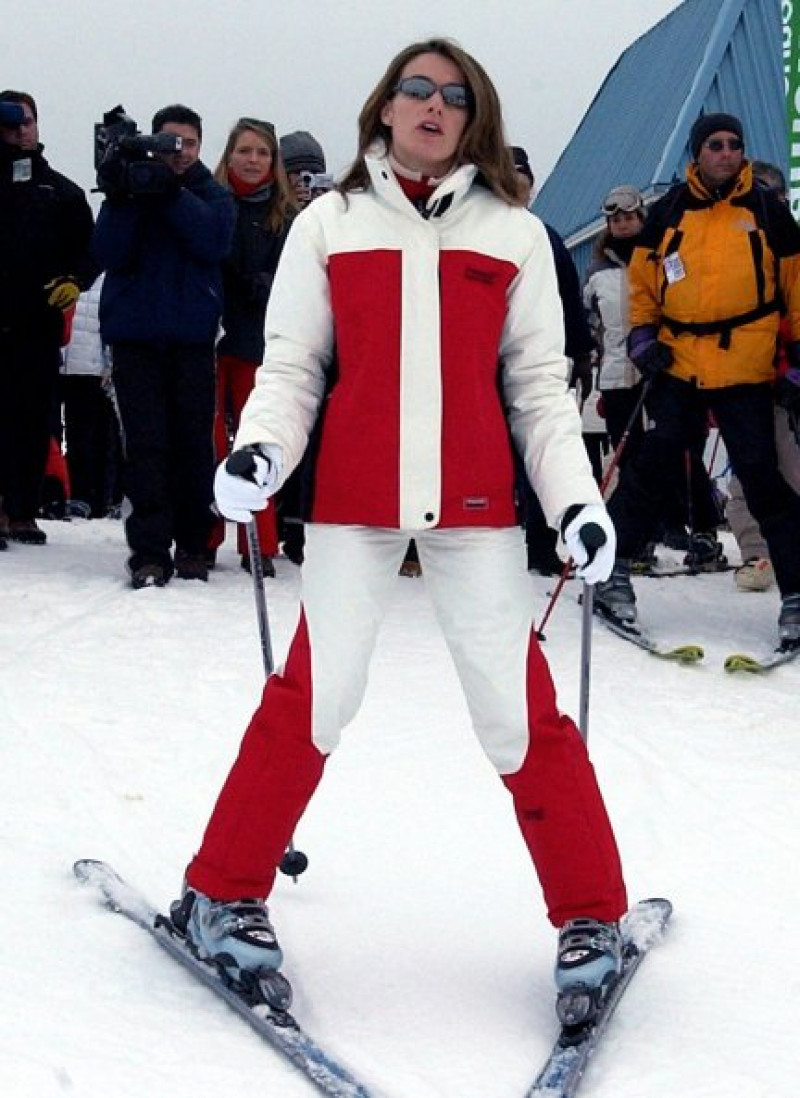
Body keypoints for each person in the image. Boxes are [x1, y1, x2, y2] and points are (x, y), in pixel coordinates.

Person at [169, 38, 628, 1016]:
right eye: (414, 88)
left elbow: (539, 392)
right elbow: (290, 367)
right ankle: (220, 893)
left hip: (474, 513)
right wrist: (259, 453)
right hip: (350, 503)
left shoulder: (510, 234)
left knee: (517, 715)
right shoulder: (328, 225)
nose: (431, 104)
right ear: (384, 107)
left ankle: (591, 915)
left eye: (452, 95)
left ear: (473, 119)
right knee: (315, 697)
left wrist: (576, 505)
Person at [595, 113, 800, 643]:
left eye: (735, 144)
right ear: (697, 152)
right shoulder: (667, 213)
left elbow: (797, 287)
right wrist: (643, 338)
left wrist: (796, 357)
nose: (727, 153)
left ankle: (796, 591)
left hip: (746, 365)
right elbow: (641, 283)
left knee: (761, 476)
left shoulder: (768, 212)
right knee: (653, 467)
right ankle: (609, 572)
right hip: (680, 361)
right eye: (716, 144)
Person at [93, 104, 236, 588]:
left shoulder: (211, 194)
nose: (178, 153)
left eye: (188, 144)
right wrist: (127, 193)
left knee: (193, 445)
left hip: (192, 340)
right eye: (169, 143)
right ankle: (150, 552)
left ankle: (194, 543)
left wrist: (169, 192)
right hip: (134, 337)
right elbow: (107, 252)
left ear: (200, 147)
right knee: (146, 448)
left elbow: (213, 243)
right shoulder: (128, 190)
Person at [583, 184, 724, 571]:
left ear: (642, 218)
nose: (623, 225)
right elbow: (592, 324)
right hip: (618, 377)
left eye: (629, 217)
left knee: (677, 451)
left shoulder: (664, 256)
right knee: (630, 459)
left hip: (664, 369)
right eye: (616, 219)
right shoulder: (598, 272)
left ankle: (704, 528)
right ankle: (637, 537)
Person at [0, 90, 95, 547]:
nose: (20, 130)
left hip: (36, 326)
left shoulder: (61, 192)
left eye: (27, 121)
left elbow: (89, 251)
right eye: (9, 121)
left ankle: (22, 509)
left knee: (33, 420)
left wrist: (75, 280)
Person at [207, 118, 297, 577]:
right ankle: (204, 535)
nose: (253, 160)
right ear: (230, 155)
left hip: (259, 341)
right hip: (213, 335)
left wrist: (267, 285)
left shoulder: (287, 217)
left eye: (262, 152)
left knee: (255, 440)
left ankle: (258, 541)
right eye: (245, 150)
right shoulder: (211, 202)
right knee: (207, 439)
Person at [511, 146, 596, 574]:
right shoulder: (475, 236)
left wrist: (581, 354)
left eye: (521, 184)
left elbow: (570, 301)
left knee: (538, 454)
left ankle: (542, 541)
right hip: (483, 364)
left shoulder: (547, 238)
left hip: (540, 361)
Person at [724, 161, 800, 592]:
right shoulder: (737, 249)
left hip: (787, 382)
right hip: (747, 382)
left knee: (791, 470)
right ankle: (758, 554)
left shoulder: (793, 249)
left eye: (775, 199)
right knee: (748, 475)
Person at [60, 272, 123, 519]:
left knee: (95, 433)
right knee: (84, 432)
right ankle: (86, 495)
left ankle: (96, 496)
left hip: (92, 359)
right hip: (79, 356)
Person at [279, 130, 330, 209]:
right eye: (297, 172)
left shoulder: (331, 204)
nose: (304, 180)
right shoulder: (266, 207)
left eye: (313, 173)